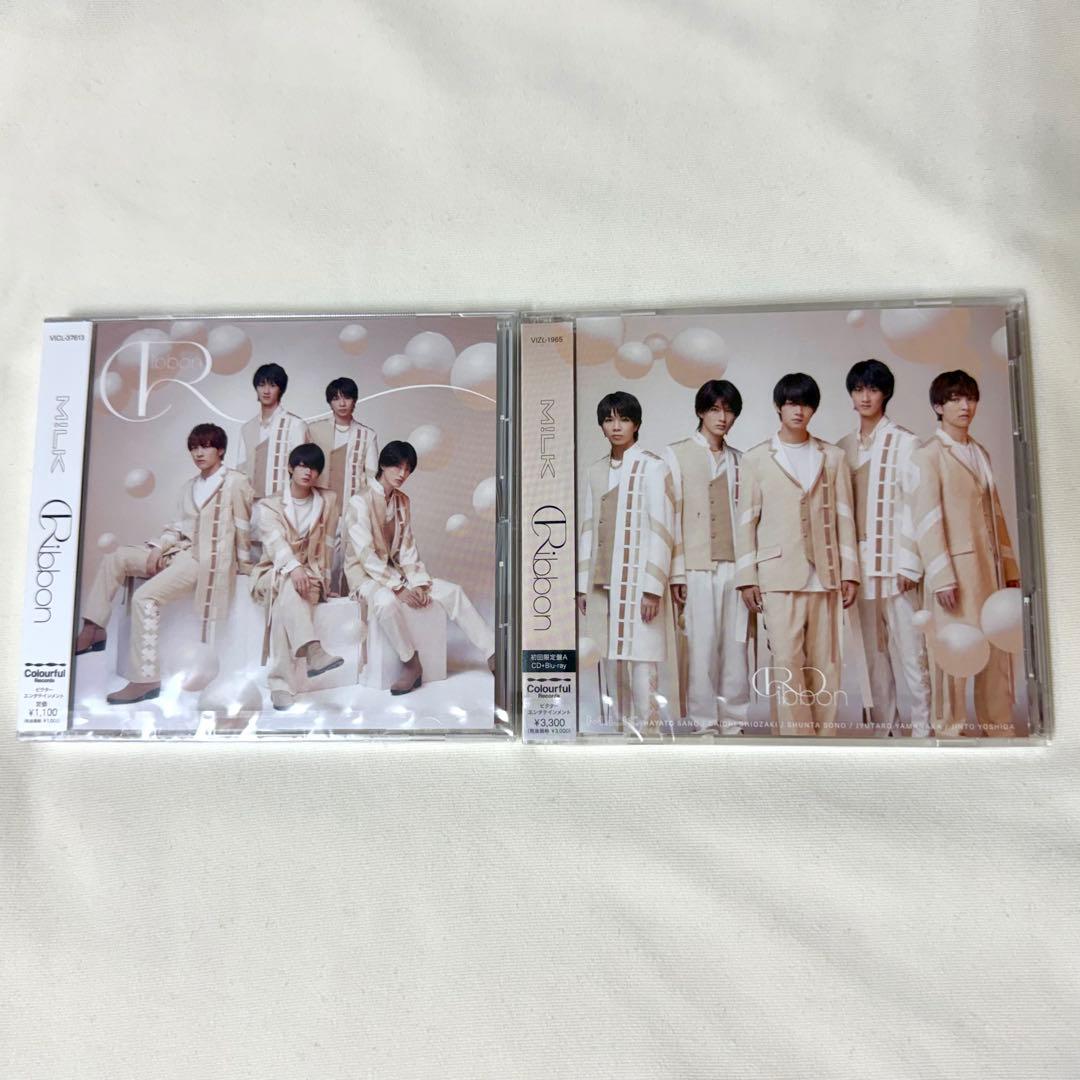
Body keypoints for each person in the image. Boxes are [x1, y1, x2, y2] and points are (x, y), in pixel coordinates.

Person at [74, 423, 254, 704]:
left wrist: (244, 565)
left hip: (203, 560)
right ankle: (93, 629)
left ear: (220, 450)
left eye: (205, 446)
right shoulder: (189, 486)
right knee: (116, 557)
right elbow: (178, 526)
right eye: (194, 448)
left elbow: (243, 526)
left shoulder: (236, 482)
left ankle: (145, 679)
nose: (198, 453)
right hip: (179, 551)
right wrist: (160, 546)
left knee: (144, 598)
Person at [735, 373, 860, 736]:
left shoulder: (833, 457)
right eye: (791, 403)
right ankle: (795, 741)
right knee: (787, 661)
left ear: (813, 409)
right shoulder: (756, 458)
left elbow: (845, 517)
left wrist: (850, 572)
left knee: (826, 664)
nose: (798, 410)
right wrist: (747, 578)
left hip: (826, 573)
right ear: (779, 406)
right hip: (777, 574)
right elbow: (746, 522)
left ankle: (824, 740)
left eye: (805, 404)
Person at [912, 369, 1020, 736]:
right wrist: (941, 577)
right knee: (955, 653)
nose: (965, 406)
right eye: (955, 399)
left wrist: (1009, 569)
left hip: (991, 573)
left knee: (997, 648)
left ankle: (999, 727)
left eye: (970, 398)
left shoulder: (980, 452)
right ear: (937, 406)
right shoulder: (929, 455)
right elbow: (926, 520)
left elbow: (996, 514)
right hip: (955, 574)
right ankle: (948, 731)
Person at [343, 441, 495, 695]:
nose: (402, 474)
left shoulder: (402, 501)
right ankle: (411, 663)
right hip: (364, 575)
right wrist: (399, 587)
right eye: (397, 466)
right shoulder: (359, 501)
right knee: (385, 603)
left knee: (452, 591)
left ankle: (493, 653)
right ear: (383, 465)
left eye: (407, 469)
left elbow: (407, 547)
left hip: (396, 573)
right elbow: (366, 555)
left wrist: (419, 583)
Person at [838, 359, 932, 737]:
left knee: (912, 650)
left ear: (885, 394)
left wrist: (910, 564)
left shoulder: (906, 443)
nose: (865, 397)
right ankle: (886, 730)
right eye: (859, 389)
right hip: (857, 565)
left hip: (895, 562)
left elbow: (916, 504)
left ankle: (923, 728)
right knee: (870, 653)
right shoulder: (842, 448)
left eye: (873, 389)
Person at [576, 391, 676, 734]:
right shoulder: (595, 470)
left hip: (638, 581)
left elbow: (663, 529)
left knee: (642, 659)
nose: (616, 427)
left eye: (624, 419)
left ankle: (648, 731)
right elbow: (588, 527)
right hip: (602, 581)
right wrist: (582, 586)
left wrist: (653, 589)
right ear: (601, 426)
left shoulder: (653, 467)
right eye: (609, 420)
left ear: (636, 424)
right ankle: (621, 732)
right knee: (611, 658)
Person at [662, 379, 750, 734]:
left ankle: (735, 721)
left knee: (736, 646)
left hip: (736, 565)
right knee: (700, 646)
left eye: (729, 411)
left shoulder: (742, 461)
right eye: (715, 409)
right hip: (695, 566)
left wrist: (750, 573)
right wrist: (676, 573)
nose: (722, 418)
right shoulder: (675, 455)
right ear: (701, 412)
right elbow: (670, 517)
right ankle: (703, 721)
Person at [249, 443, 343, 711]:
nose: (308, 472)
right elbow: (274, 541)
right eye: (302, 465)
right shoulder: (269, 505)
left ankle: (280, 685)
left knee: (284, 603)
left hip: (310, 576)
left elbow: (328, 544)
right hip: (272, 572)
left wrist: (328, 583)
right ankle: (313, 650)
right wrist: (293, 567)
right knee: (288, 583)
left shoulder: (327, 500)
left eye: (313, 468)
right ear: (290, 468)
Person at [308, 376, 379, 592]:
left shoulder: (367, 435)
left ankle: (344, 601)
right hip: (319, 505)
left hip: (350, 508)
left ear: (354, 400)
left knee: (349, 560)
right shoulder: (315, 430)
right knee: (318, 556)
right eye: (336, 398)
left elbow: (372, 479)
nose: (341, 403)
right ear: (329, 401)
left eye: (346, 397)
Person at [239, 363, 310, 502]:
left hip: (284, 503)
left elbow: (303, 470)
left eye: (272, 385)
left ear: (280, 389)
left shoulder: (295, 425)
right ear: (256, 388)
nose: (266, 391)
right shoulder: (247, 428)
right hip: (251, 503)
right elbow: (241, 470)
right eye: (261, 385)